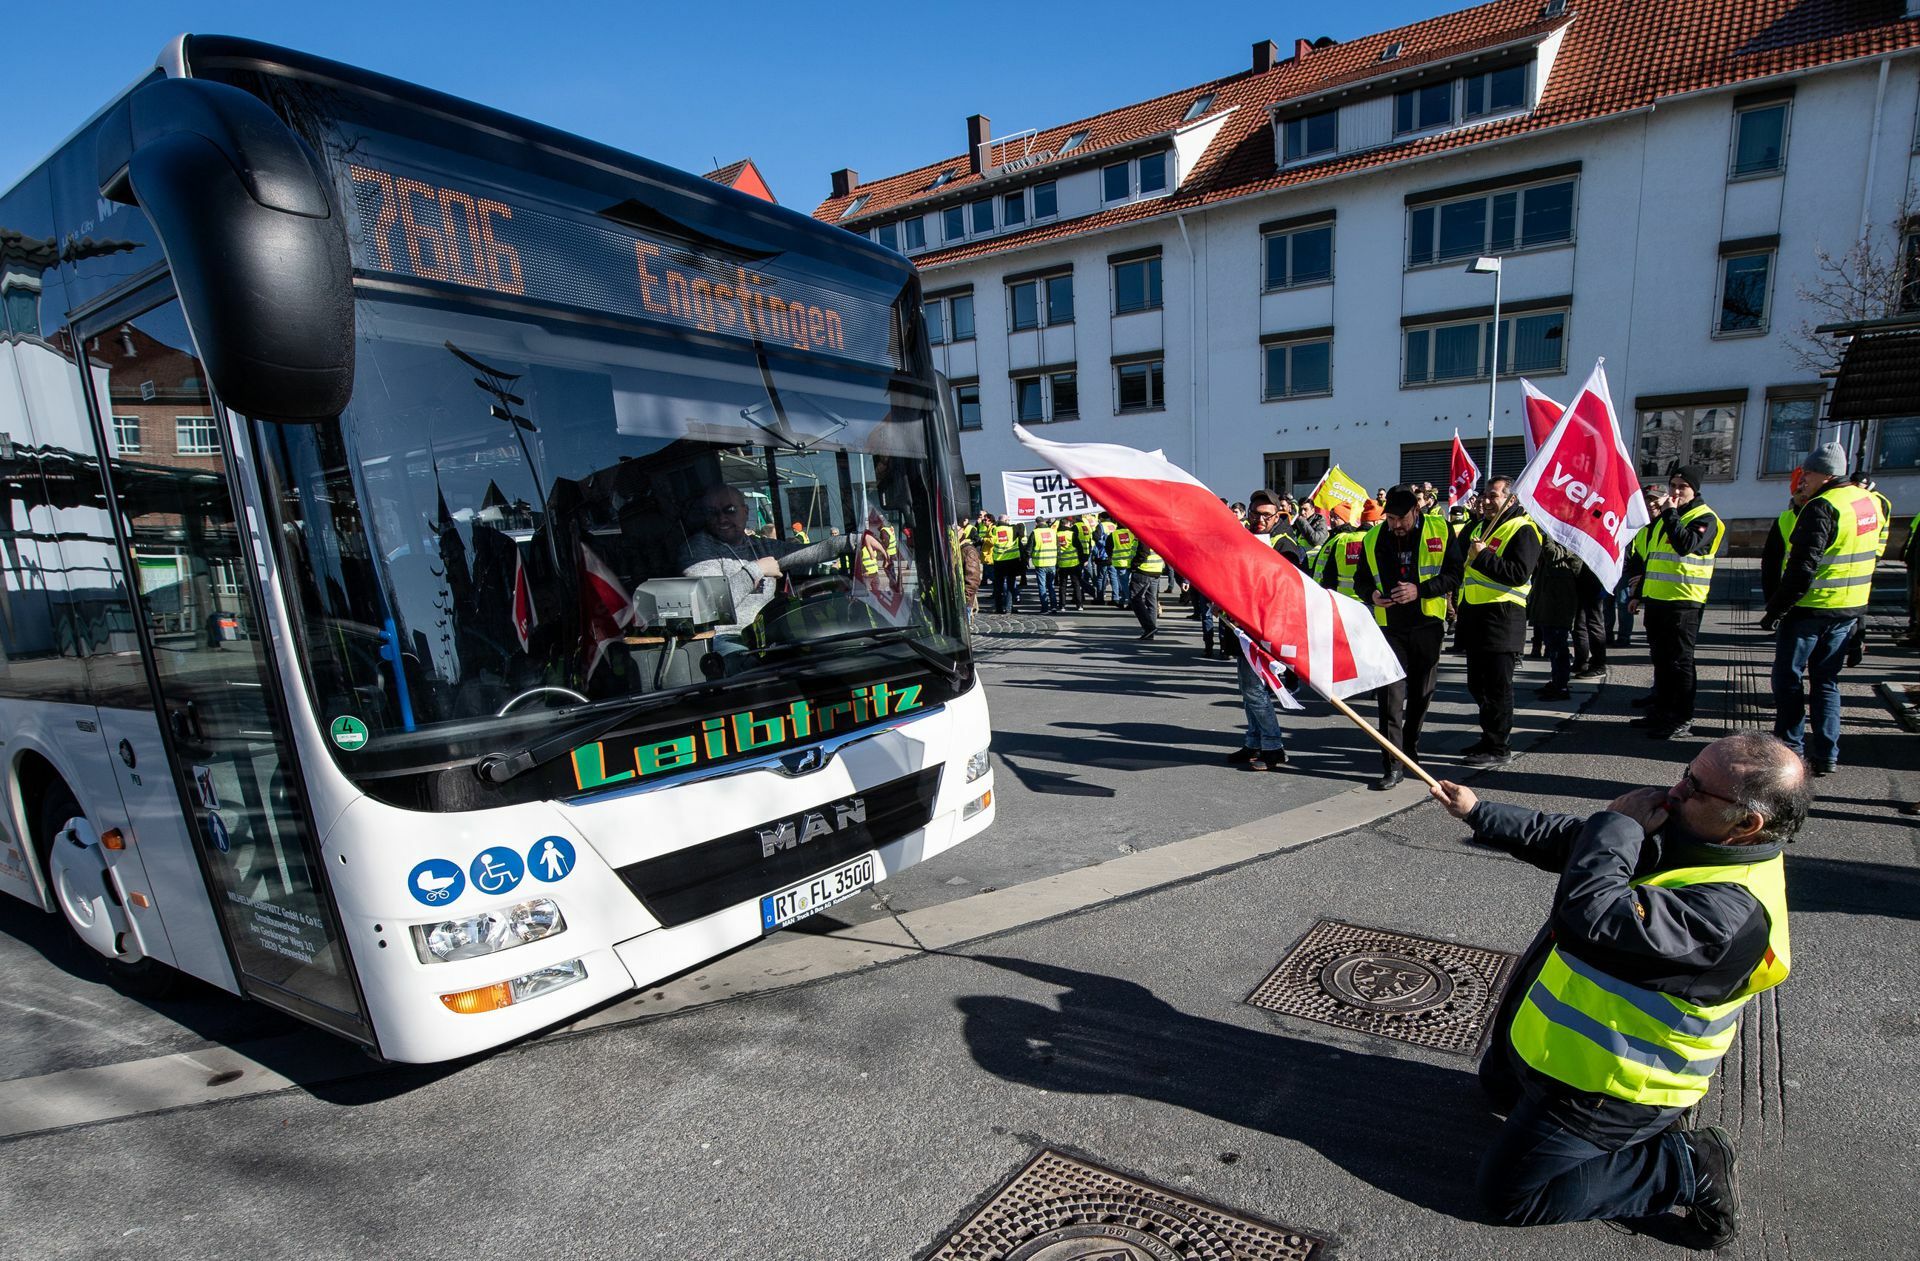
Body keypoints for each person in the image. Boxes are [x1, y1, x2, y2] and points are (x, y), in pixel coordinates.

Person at [1429, 732, 1808, 1248]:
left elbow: (1592, 914)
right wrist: (1479, 811)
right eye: (1686, 771)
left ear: (1747, 823)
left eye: (1696, 787)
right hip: (1555, 1045)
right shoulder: (1698, 836)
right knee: (1496, 1087)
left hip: (1616, 1086)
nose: (1675, 790)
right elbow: (1579, 842)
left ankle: (1686, 1165)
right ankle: (1542, 1097)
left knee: (1510, 1196)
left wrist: (1620, 824)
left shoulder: (1727, 916)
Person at [1760, 442, 1881, 775]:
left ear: (1826, 474)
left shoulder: (1822, 506)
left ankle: (1790, 750)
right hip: (1848, 609)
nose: (1804, 481)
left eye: (1808, 473)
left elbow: (1802, 567)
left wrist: (1775, 611)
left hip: (1810, 609)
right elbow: (1871, 560)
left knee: (1788, 680)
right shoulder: (1869, 502)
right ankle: (1827, 753)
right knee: (1827, 682)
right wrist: (1862, 621)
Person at [1353, 486, 1465, 789]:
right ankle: (1392, 763)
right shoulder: (1374, 537)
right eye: (1390, 518)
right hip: (1390, 628)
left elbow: (1455, 574)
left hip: (1427, 624)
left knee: (1421, 694)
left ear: (1417, 511)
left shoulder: (1440, 529)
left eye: (1401, 519)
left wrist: (1420, 589)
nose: (1396, 525)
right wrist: (1372, 595)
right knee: (1390, 698)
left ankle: (1410, 748)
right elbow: (1361, 580)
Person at [679, 485, 878, 633]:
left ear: (745, 511)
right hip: (730, 642)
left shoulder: (759, 545)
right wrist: (756, 569)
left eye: (729, 510)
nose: (721, 518)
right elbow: (710, 606)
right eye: (713, 513)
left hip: (771, 632)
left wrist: (857, 540)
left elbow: (808, 552)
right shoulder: (697, 550)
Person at [1624, 465, 1725, 739]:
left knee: (1680, 663)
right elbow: (1651, 560)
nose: (1676, 491)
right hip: (1658, 600)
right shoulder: (1668, 519)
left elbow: (1685, 544)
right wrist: (1638, 594)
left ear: (1695, 490)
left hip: (1684, 601)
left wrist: (1669, 513)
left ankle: (1681, 717)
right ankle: (1661, 711)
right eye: (1673, 485)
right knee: (1661, 661)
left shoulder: (1703, 517)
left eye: (1682, 486)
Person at [1458, 475, 1543, 767]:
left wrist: (1483, 557)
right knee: (1476, 684)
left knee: (1497, 688)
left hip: (1503, 617)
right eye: (1485, 495)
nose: (1486, 500)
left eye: (1493, 496)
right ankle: (1488, 737)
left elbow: (1518, 572)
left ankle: (1499, 747)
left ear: (1512, 498)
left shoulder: (1524, 529)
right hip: (1477, 615)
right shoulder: (1482, 526)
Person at [1225, 491, 1305, 770]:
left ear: (1277, 516)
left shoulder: (1285, 544)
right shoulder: (1245, 536)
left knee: (1254, 690)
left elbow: (1287, 587)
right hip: (1244, 625)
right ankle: (1253, 742)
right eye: (1255, 513)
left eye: (1266, 515)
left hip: (1267, 627)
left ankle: (1273, 747)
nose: (1259, 519)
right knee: (1248, 691)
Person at [1527, 538, 1580, 702]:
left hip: (1559, 606)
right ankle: (1556, 681)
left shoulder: (1573, 543)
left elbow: (1553, 556)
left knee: (1558, 647)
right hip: (1549, 604)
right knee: (1552, 645)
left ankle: (1561, 686)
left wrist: (1548, 535)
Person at [1129, 543, 1166, 640]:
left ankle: (1149, 628)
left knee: (1135, 599)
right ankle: (1150, 631)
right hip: (1156, 570)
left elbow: (1143, 552)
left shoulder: (1143, 534)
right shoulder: (1157, 534)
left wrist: (1134, 565)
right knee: (1152, 601)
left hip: (1143, 569)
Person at [1026, 518, 1059, 614]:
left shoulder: (1035, 533)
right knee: (1051, 586)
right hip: (1052, 562)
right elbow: (1058, 547)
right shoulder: (1052, 532)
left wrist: (1027, 558)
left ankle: (1045, 608)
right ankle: (1054, 607)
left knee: (1042, 586)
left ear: (1036, 523)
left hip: (1040, 563)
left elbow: (1029, 549)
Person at [990, 516, 1022, 614]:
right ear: (1006, 521)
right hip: (1011, 561)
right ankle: (1008, 608)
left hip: (998, 561)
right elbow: (1021, 531)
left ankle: (999, 608)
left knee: (998, 586)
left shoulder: (993, 529)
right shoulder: (1012, 529)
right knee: (1010, 585)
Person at [1055, 515, 1084, 612]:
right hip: (1073, 563)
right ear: (1067, 523)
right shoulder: (1072, 534)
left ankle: (1062, 606)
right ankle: (1079, 605)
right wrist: (1082, 559)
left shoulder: (1057, 534)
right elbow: (1079, 547)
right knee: (1076, 584)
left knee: (1062, 585)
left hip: (1062, 564)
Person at [1109, 519, 1138, 607]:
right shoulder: (1132, 533)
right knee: (1128, 583)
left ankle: (1131, 602)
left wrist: (1111, 556)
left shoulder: (1113, 534)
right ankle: (1122, 600)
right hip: (1132, 561)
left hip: (1120, 563)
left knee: (1124, 584)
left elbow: (1108, 547)